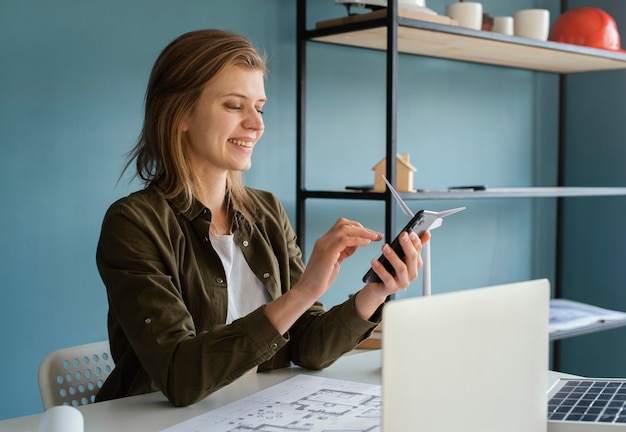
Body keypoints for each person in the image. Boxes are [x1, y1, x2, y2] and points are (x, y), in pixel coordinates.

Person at [95, 29, 429, 407]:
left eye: (260, 107)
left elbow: (308, 347)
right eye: (235, 106)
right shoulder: (133, 224)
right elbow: (180, 375)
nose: (257, 124)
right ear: (180, 113)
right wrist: (304, 292)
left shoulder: (266, 211)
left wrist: (377, 289)